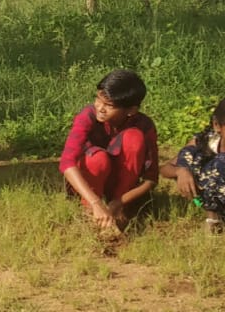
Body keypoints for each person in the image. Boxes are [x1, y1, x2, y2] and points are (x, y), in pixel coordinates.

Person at [59, 69, 158, 233]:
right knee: (98, 158)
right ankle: (89, 212)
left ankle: (118, 211)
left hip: (121, 190)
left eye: (109, 105)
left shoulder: (144, 125)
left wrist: (119, 202)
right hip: (89, 186)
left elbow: (151, 179)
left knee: (134, 139)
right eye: (98, 99)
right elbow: (67, 163)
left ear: (131, 110)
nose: (100, 108)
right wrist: (95, 203)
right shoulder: (88, 116)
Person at [163, 98, 225, 233]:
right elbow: (165, 169)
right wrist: (181, 171)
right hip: (212, 202)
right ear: (217, 125)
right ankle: (213, 219)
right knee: (189, 155)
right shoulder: (207, 141)